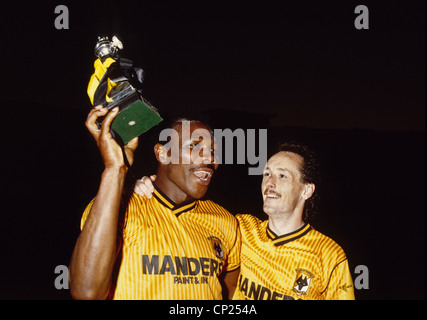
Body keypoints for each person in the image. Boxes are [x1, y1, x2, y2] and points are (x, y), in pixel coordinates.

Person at [135, 142, 355, 300]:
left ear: (306, 190)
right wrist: (149, 186)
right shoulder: (240, 229)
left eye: (282, 176)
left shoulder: (330, 255)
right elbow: (188, 213)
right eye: (266, 174)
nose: (269, 183)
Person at [69, 106, 240, 300]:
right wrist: (114, 169)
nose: (210, 158)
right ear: (162, 154)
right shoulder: (118, 209)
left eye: (213, 151)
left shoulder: (225, 221)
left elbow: (229, 291)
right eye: (194, 146)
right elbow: (86, 292)